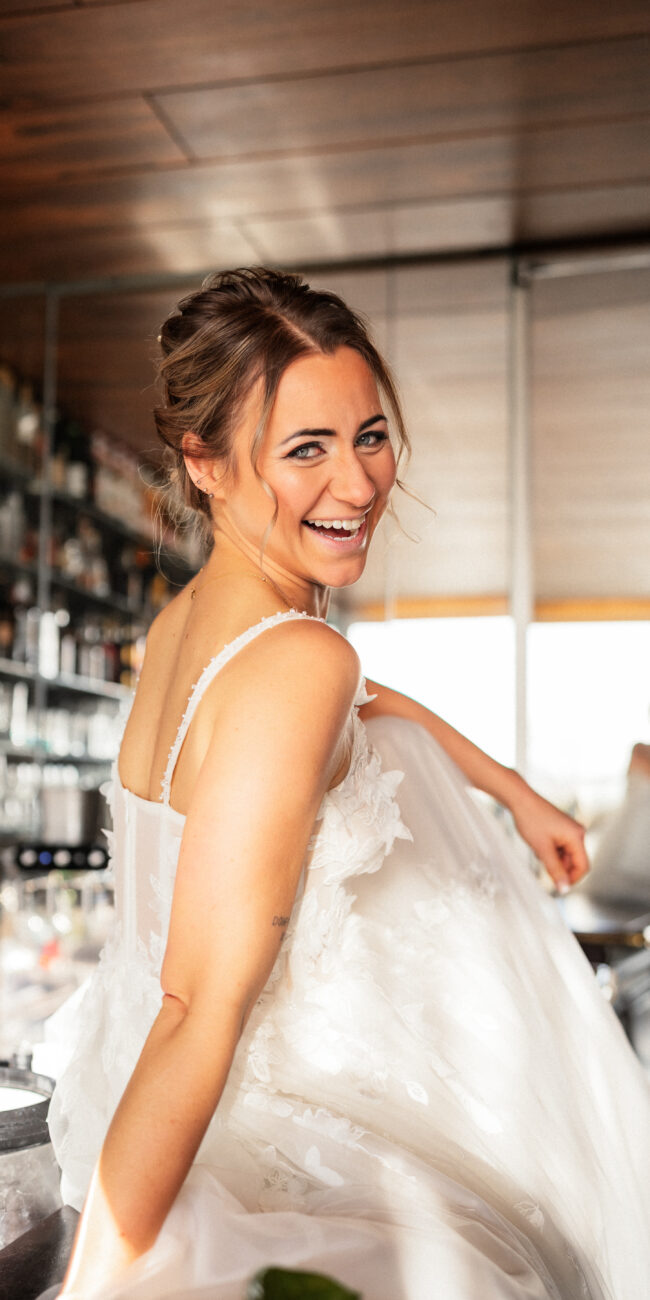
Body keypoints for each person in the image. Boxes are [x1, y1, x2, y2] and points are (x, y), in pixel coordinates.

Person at [43, 268, 649, 1300]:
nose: (360, 485)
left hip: (121, 1089)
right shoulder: (296, 661)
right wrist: (94, 1284)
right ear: (204, 463)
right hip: (231, 1132)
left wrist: (511, 788)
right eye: (306, 450)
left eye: (369, 436)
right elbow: (194, 1008)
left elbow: (360, 703)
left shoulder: (190, 624)